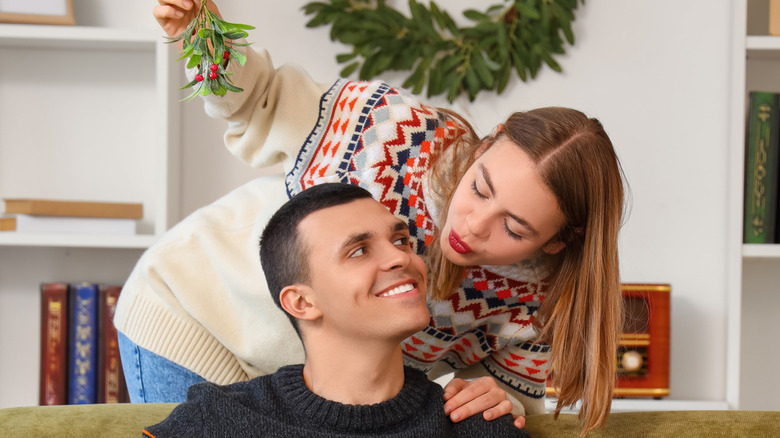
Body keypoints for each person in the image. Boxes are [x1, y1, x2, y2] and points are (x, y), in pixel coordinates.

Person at [117, 0, 627, 434]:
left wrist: (499, 400)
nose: (472, 225)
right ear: (482, 147)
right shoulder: (390, 133)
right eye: (480, 189)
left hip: (313, 386)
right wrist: (204, 39)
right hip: (195, 313)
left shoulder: (539, 302)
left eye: (514, 228)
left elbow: (504, 397)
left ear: (557, 243)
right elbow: (261, 98)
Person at [143, 183, 531, 438]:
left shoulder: (477, 426)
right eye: (359, 250)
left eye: (400, 240)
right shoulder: (219, 420)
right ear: (302, 302)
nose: (400, 257)